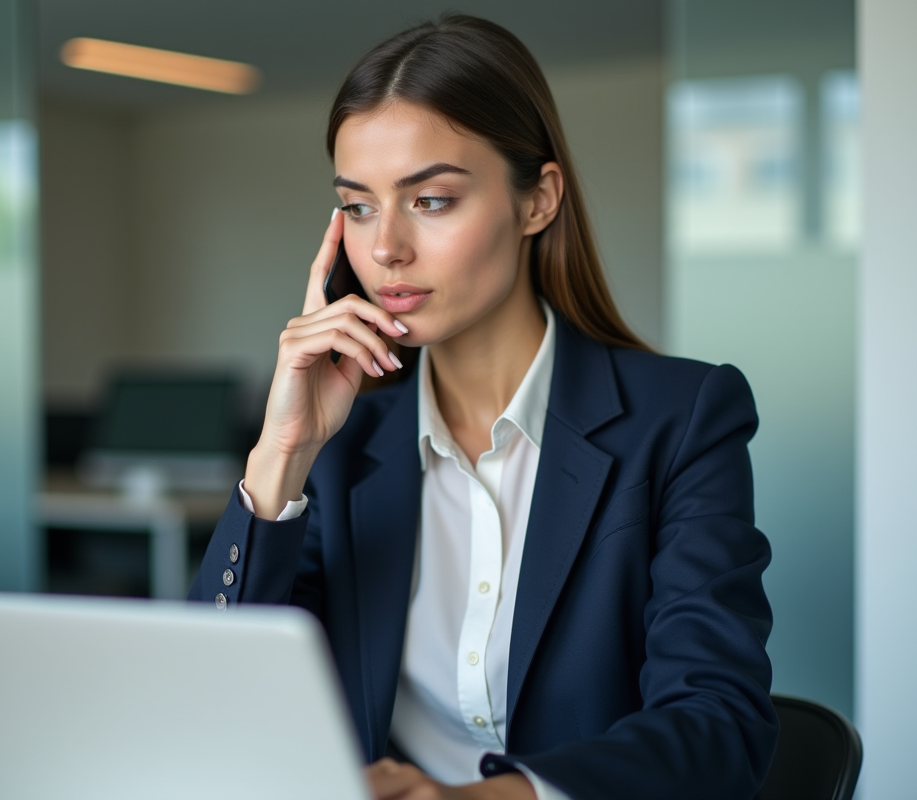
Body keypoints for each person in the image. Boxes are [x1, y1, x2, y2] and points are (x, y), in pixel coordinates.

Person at [190, 14, 776, 800]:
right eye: (358, 207)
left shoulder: (683, 420)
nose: (387, 247)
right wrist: (281, 456)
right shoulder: (343, 447)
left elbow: (719, 726)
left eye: (430, 200)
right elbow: (217, 708)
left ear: (538, 200)